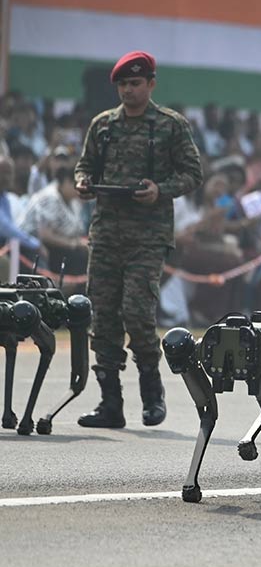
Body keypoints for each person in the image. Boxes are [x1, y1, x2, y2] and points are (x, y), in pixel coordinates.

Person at [74, 51, 203, 428]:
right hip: (106, 233)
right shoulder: (103, 125)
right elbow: (85, 165)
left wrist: (159, 189)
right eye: (123, 85)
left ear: (150, 84)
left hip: (148, 235)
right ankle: (110, 402)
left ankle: (151, 392)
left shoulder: (169, 125)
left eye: (135, 83)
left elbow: (193, 173)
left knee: (137, 312)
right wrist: (82, 182)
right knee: (104, 314)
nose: (128, 91)